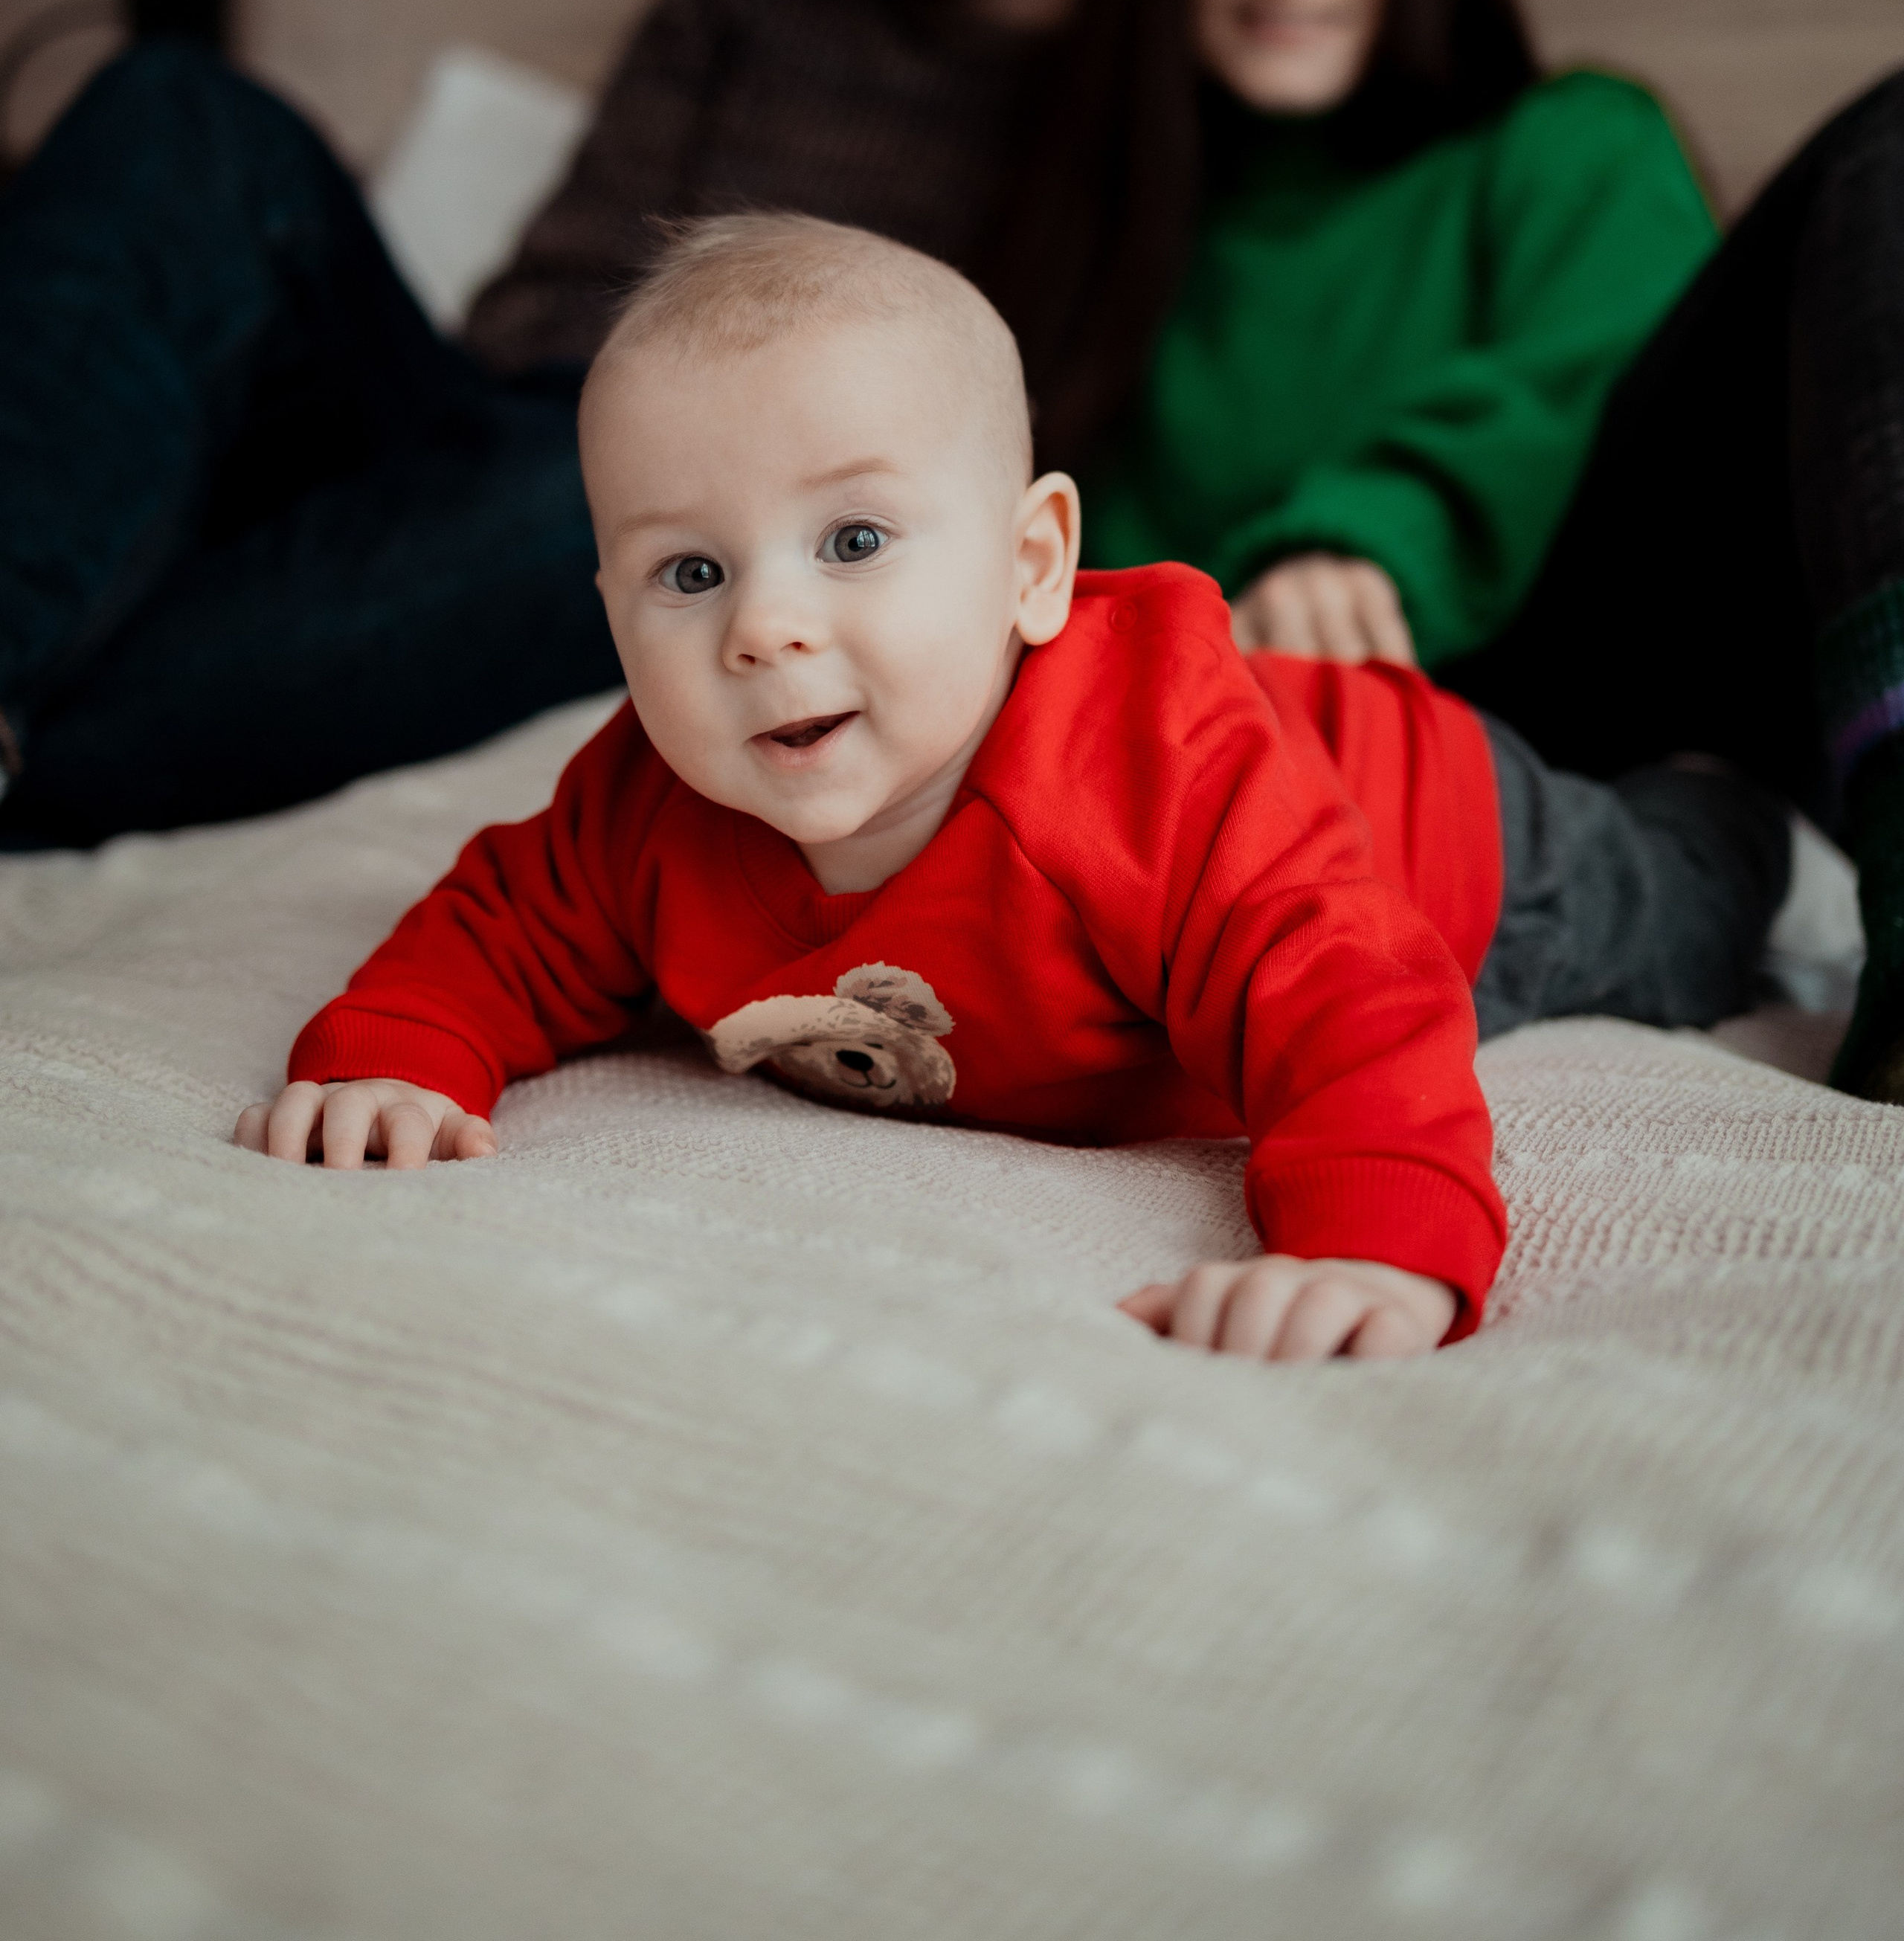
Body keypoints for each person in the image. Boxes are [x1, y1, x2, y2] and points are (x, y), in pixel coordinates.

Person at [236, 214, 1792, 1362]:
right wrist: (398, 1059)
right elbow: (499, 929)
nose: (763, 628)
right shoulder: (644, 807)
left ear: (1033, 565)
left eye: (853, 541)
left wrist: (1373, 1245)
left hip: (1454, 842)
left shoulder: (1145, 781)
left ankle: (1720, 784)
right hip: (1321, 821)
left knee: (1686, 911)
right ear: (610, 611)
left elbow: (1344, 989)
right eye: (688, 572)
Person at [0, 0, 1099, 848]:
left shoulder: (1141, 65)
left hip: (669, 526)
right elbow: (553, 293)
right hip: (497, 420)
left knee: (617, 516)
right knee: (177, 106)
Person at [988, 0, 1904, 1104]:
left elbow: (1583, 378)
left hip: (1607, 673)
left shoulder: (1570, 141)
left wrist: (1360, 535)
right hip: (1321, 761)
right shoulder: (1101, 261)